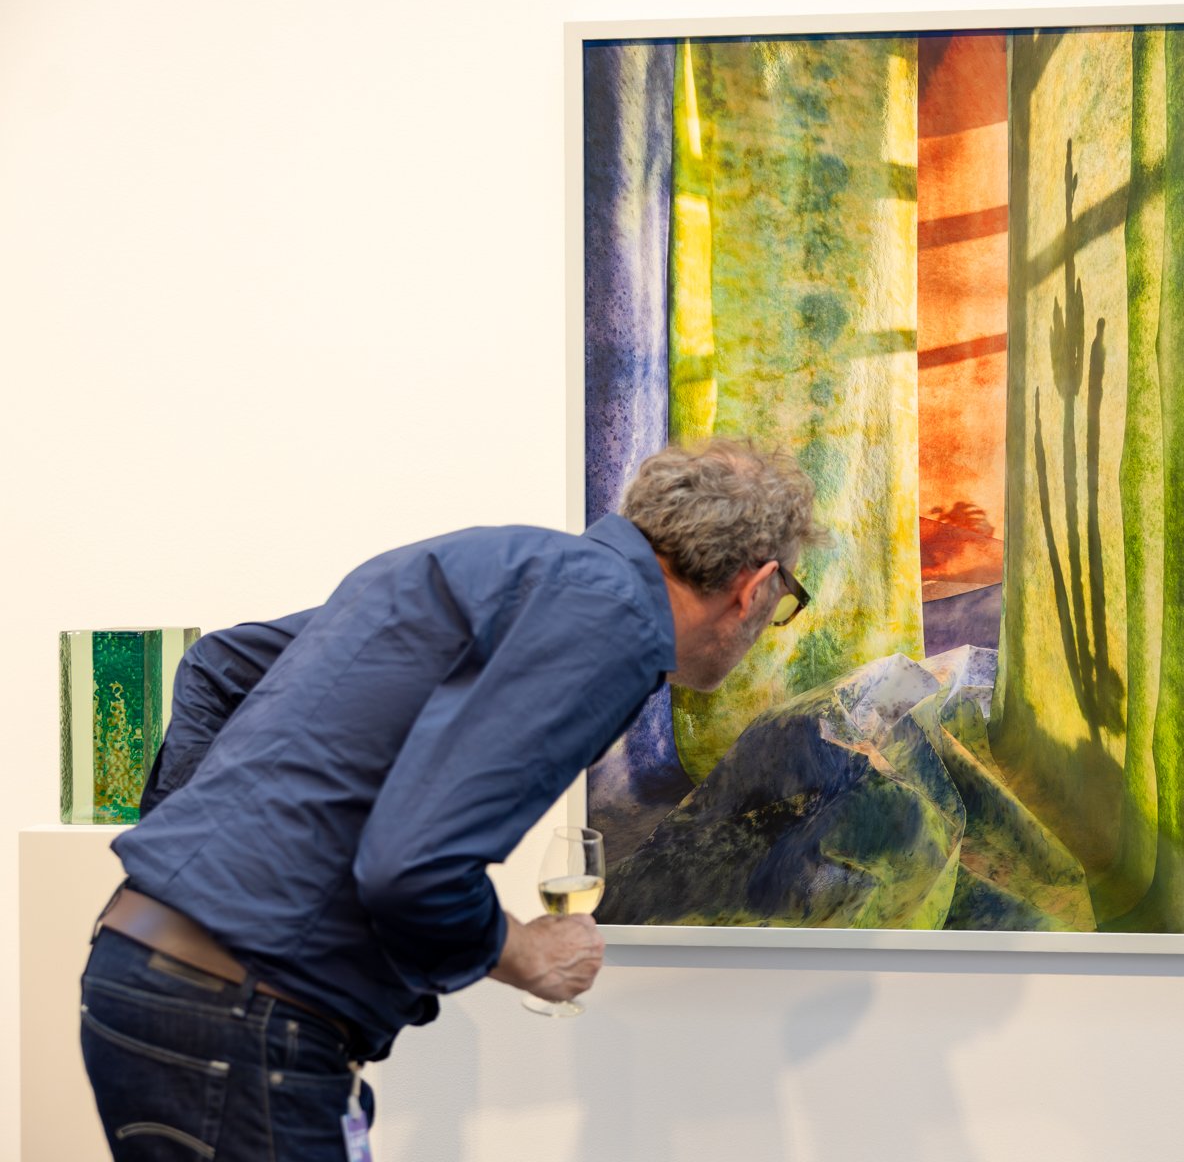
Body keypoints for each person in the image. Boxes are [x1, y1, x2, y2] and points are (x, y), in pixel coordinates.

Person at [80, 438, 823, 1161]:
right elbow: (413, 869)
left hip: (147, 974)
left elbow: (219, 666)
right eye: (783, 598)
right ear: (754, 587)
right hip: (241, 1012)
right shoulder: (614, 621)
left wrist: (187, 865)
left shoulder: (494, 562)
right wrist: (522, 952)